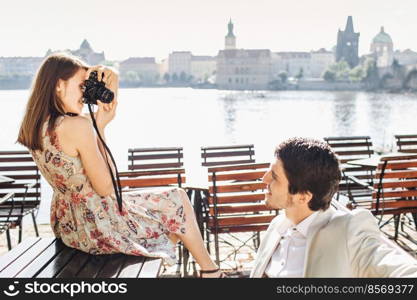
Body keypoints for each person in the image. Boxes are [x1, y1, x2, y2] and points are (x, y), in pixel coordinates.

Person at [17, 53, 224, 278]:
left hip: (68, 226)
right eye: (81, 86)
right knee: (178, 201)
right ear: (59, 85)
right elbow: (106, 187)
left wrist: (109, 76)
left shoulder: (37, 126)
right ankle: (211, 273)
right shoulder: (77, 126)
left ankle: (209, 272)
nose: (85, 94)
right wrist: (101, 128)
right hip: (98, 228)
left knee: (175, 205)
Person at [250, 137, 417, 278]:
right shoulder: (278, 225)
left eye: (274, 177)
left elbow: (395, 267)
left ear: (303, 196)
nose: (264, 179)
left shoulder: (347, 231)